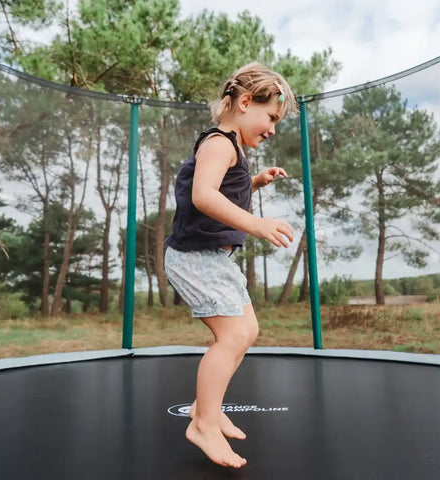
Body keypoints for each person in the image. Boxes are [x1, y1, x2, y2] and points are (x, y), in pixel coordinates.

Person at [164, 62, 297, 468]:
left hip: (214, 258)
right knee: (233, 336)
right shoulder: (220, 143)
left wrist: (253, 182)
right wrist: (256, 223)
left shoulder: (231, 150)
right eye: (271, 117)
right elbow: (204, 195)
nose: (273, 128)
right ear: (244, 102)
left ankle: (209, 406)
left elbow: (223, 187)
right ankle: (202, 422)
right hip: (194, 258)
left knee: (248, 330)